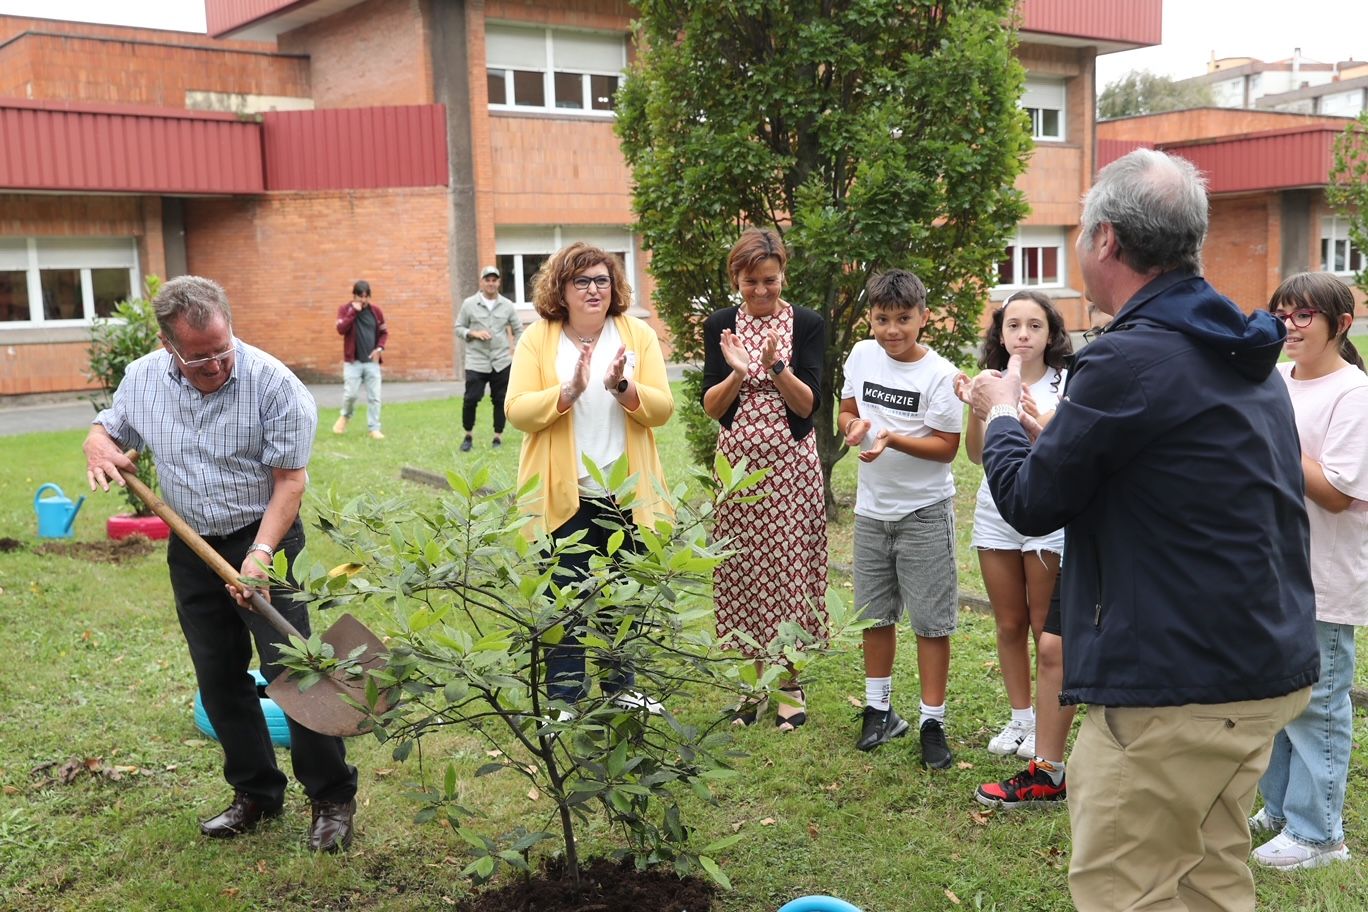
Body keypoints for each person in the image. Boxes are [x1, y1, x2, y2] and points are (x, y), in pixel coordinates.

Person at [966, 148, 1317, 910]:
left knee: (1125, 888)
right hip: (1255, 663)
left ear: (1108, 242)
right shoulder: (1236, 349)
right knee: (1209, 878)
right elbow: (1184, 473)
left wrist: (998, 407)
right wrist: (1068, 430)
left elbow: (1028, 502)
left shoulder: (1128, 360)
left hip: (1177, 685)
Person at [83, 276, 359, 853]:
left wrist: (261, 556)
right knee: (218, 676)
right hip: (191, 545)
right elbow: (113, 426)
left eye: (222, 349)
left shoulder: (274, 385)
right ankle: (256, 793)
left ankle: (332, 798)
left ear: (231, 328)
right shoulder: (143, 380)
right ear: (167, 345)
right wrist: (96, 440)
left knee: (294, 669)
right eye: (198, 356)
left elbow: (290, 482)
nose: (215, 365)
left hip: (265, 537)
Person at [505, 243, 673, 709]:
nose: (593, 289)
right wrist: (568, 391)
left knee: (624, 596)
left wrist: (623, 387)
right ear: (561, 288)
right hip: (564, 493)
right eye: (581, 281)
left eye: (601, 279)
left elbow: (662, 410)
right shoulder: (538, 338)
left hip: (624, 493)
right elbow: (516, 410)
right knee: (564, 597)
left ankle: (622, 690)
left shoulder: (635, 333)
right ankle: (564, 698)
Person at [1250, 272, 1368, 870]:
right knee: (1277, 696)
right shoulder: (1276, 380)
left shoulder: (1354, 395)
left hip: (1323, 576)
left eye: (1304, 317)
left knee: (1320, 704)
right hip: (1271, 570)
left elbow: (1337, 494)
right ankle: (1279, 809)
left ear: (1340, 325)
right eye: (1282, 314)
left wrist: (1268, 441)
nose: (1289, 327)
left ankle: (1320, 835)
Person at [702, 227, 827, 731]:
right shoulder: (719, 324)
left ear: (783, 276)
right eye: (751, 282)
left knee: (786, 567)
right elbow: (713, 407)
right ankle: (754, 681)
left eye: (770, 281)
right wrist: (735, 372)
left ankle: (789, 682)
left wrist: (776, 365)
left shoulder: (808, 324)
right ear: (736, 278)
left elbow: (809, 404)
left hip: (791, 468)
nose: (761, 291)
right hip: (736, 470)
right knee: (744, 569)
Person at [837, 270, 962, 768]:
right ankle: (879, 710)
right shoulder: (862, 356)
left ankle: (932, 721)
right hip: (871, 513)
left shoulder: (940, 375)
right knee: (874, 616)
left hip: (924, 513)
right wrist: (854, 426)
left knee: (931, 624)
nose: (892, 329)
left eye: (903, 319)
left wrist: (891, 437)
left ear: (924, 318)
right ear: (870, 317)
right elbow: (846, 410)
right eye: (881, 318)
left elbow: (946, 448)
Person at [964, 290, 1071, 764]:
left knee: (1043, 625)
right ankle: (1020, 717)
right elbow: (973, 453)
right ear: (1000, 332)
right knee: (1008, 622)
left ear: (1051, 333)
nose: (1023, 334)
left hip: (1046, 514)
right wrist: (977, 404)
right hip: (996, 510)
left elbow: (1058, 448)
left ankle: (1045, 730)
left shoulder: (1069, 382)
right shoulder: (988, 380)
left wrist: (1029, 415)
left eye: (1034, 325)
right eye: (1013, 325)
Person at [457, 265, 523, 452]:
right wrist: (473, 333)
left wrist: (516, 348)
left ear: (499, 282)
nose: (491, 283)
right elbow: (458, 328)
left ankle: (497, 437)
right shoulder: (469, 304)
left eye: (494, 280)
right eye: (488, 280)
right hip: (476, 360)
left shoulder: (507, 305)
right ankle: (468, 436)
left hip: (501, 360)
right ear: (482, 282)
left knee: (500, 399)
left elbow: (518, 330)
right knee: (471, 399)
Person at [332, 279, 387, 440]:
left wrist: (380, 348)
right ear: (354, 296)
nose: (363, 300)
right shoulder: (345, 309)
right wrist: (353, 312)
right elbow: (341, 329)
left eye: (366, 297)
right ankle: (345, 417)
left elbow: (384, 333)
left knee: (375, 397)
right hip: (353, 362)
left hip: (372, 362)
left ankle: (374, 428)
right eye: (360, 297)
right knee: (350, 395)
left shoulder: (376, 311)